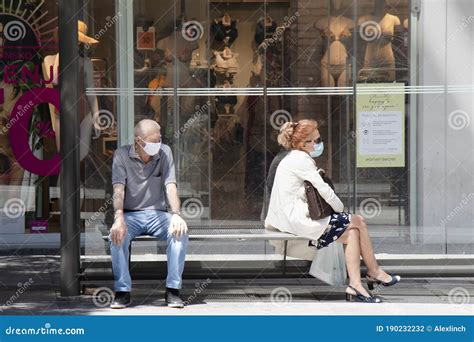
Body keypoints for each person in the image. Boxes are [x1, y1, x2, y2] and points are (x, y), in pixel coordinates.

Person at [264, 119, 401, 303]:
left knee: (352, 231)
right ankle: (374, 271)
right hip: (295, 220)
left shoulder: (294, 158)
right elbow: (324, 190)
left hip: (292, 217)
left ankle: (356, 285)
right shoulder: (301, 159)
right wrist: (340, 210)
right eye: (317, 139)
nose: (320, 143)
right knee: (358, 221)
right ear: (306, 143)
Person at [109, 119, 188, 309]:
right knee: (117, 235)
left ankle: (173, 290)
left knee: (179, 232)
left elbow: (170, 186)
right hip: (130, 215)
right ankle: (122, 292)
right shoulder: (121, 155)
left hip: (157, 214)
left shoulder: (164, 152)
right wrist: (118, 216)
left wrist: (176, 214)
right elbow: (118, 189)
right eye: (154, 140)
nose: (158, 143)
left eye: (159, 138)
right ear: (139, 141)